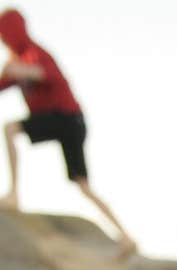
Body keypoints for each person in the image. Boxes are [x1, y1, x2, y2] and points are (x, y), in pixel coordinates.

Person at [0, 8, 135, 252]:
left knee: (81, 182)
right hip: (57, 120)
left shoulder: (36, 54)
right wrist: (14, 71)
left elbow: (46, 74)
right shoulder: (15, 62)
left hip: (69, 119)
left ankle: (125, 237)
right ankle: (126, 235)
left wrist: (22, 70)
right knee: (81, 184)